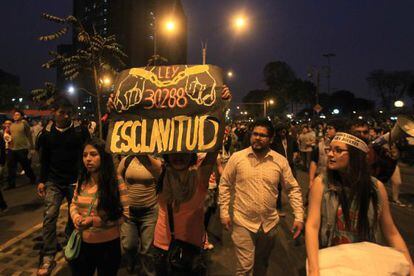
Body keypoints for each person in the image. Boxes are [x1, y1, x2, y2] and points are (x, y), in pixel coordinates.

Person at [305, 132, 414, 276]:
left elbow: (391, 232)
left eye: (338, 150)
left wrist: (410, 267)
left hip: (366, 264)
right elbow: (312, 226)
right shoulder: (321, 183)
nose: (330, 154)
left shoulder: (376, 188)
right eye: (330, 149)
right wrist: (314, 269)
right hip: (334, 263)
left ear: (355, 156)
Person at [219, 119, 305, 276]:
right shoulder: (237, 158)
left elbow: (293, 189)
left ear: (271, 139)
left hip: (269, 225)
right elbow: (225, 185)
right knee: (244, 269)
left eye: (263, 135)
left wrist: (299, 216)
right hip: (243, 222)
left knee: (262, 264)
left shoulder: (279, 161)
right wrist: (224, 212)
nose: (257, 138)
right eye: (255, 134)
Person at [36, 99, 90, 276]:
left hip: (75, 181)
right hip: (54, 181)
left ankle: (70, 245)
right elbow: (44, 160)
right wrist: (41, 181)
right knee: (50, 215)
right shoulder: (47, 133)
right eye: (62, 112)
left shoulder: (80, 131)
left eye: (68, 112)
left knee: (73, 217)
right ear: (54, 112)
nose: (66, 116)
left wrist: (88, 178)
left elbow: (88, 154)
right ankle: (48, 254)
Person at [69, 138, 129, 276]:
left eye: (93, 154)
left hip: (108, 246)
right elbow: (73, 203)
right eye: (85, 155)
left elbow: (125, 214)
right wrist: (76, 218)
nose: (88, 159)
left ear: (103, 156)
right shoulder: (82, 179)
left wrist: (94, 221)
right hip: (83, 244)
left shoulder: (115, 180)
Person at [118, 154, 160, 275]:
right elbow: (118, 177)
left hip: (150, 211)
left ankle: (149, 273)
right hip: (128, 212)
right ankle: (131, 261)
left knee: (148, 250)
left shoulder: (155, 161)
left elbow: (162, 179)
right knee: (128, 245)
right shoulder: (127, 160)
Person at [270, 122, 299, 216]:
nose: (283, 132)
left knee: (293, 187)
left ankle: (297, 210)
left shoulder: (291, 139)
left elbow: (296, 149)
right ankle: (277, 208)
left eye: (284, 130)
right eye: (280, 130)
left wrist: (294, 156)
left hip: (290, 166)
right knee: (277, 188)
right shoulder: (274, 141)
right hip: (278, 167)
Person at [309, 119, 345, 188]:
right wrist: (311, 180)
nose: (327, 131)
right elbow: (314, 162)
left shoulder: (346, 146)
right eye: (327, 128)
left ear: (338, 130)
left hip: (339, 182)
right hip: (321, 179)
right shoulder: (321, 145)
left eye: (330, 128)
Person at [6, 110, 36, 189]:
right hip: (12, 149)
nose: (15, 116)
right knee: (11, 167)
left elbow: (29, 135)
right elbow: (9, 136)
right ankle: (11, 184)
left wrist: (32, 147)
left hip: (22, 148)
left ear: (21, 116)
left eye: (18, 114)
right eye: (14, 115)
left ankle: (33, 178)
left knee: (26, 166)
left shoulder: (24, 123)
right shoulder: (11, 125)